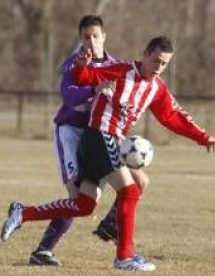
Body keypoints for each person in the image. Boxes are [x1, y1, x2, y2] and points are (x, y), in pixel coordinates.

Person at [1, 35, 215, 272]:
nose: (159, 67)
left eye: (165, 64)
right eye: (156, 60)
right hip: (100, 136)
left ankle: (23, 213)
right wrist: (81, 65)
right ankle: (124, 257)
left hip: (107, 142)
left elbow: (173, 116)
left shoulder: (156, 88)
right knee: (130, 190)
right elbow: (84, 78)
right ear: (145, 54)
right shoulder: (119, 70)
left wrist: (203, 137)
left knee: (85, 205)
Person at [28, 14, 150, 266]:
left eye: (96, 36)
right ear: (80, 38)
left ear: (104, 37)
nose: (92, 41)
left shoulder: (116, 66)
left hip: (100, 135)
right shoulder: (74, 63)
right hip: (71, 131)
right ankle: (42, 251)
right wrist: (93, 89)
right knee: (77, 199)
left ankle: (110, 226)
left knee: (140, 180)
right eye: (86, 36)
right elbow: (69, 97)